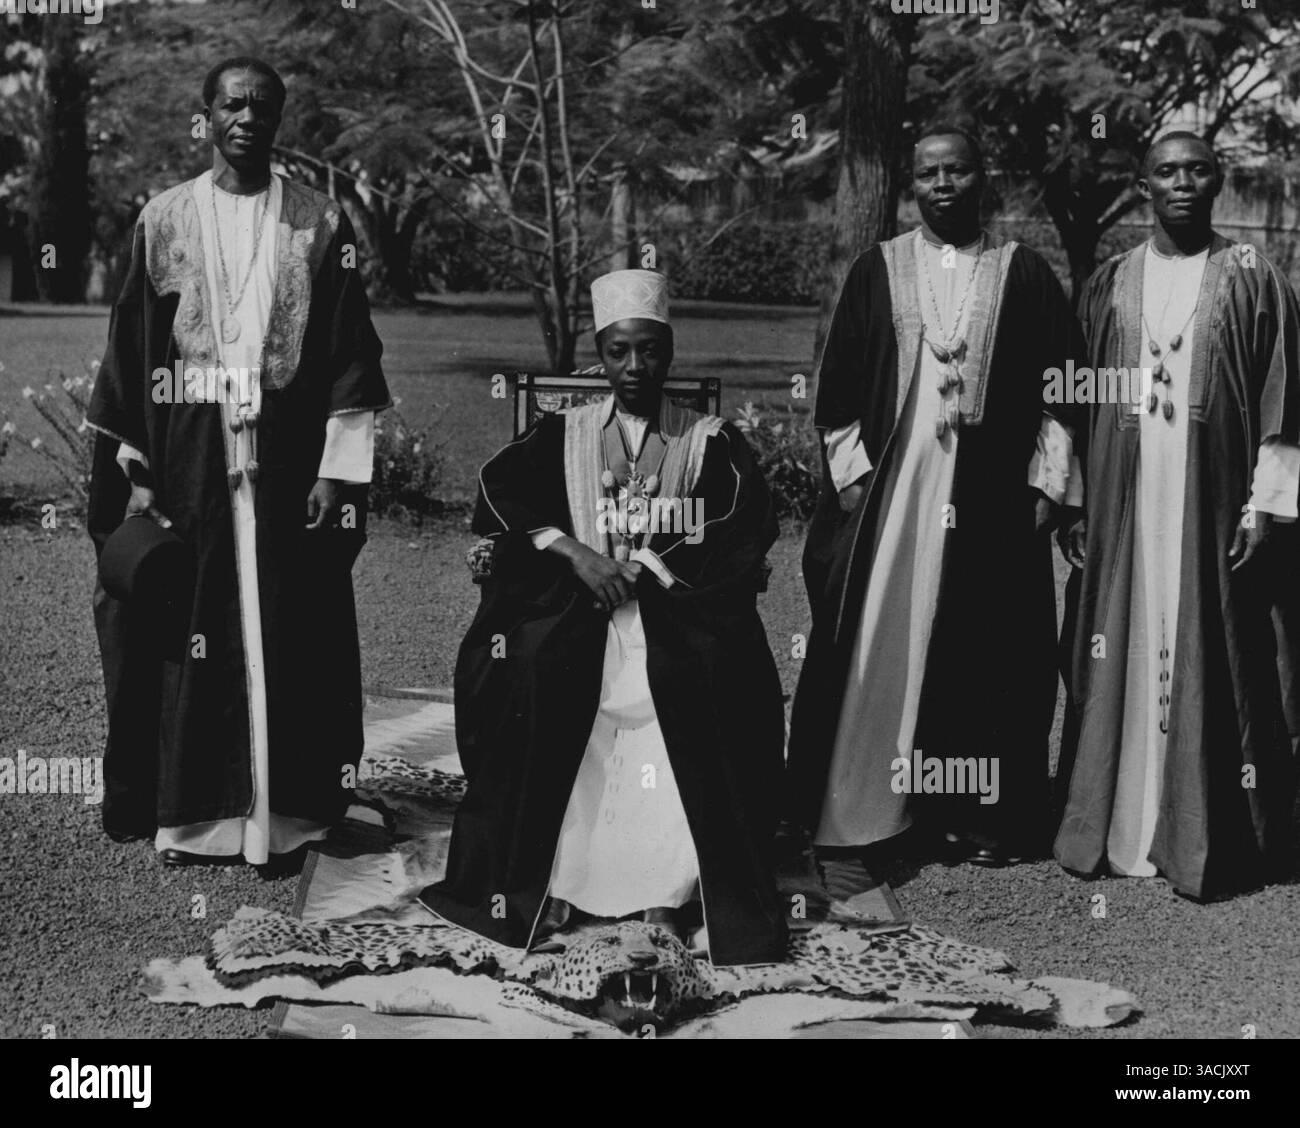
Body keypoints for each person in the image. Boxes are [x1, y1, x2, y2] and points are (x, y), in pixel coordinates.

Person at [419, 269, 788, 967]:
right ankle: (550, 877)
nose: (634, 367)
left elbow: (739, 528)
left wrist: (647, 568)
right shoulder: (563, 432)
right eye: (619, 351)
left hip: (676, 612)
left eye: (649, 351)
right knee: (531, 673)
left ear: (669, 351)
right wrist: (574, 552)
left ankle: (670, 886)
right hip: (576, 608)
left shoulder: (710, 440)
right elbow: (499, 494)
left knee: (696, 682)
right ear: (600, 349)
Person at [85, 57, 390, 867]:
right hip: (190, 465)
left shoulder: (322, 223)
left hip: (288, 468)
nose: (247, 117)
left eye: (263, 105)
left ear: (280, 119)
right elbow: (129, 352)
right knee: (192, 631)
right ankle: (193, 819)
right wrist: (136, 467)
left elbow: (349, 351)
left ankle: (285, 819)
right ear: (207, 115)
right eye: (232, 104)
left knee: (291, 632)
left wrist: (338, 468)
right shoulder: (163, 219)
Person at [788, 125, 1083, 866]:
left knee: (986, 652)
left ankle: (979, 820)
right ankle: (867, 814)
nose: (943, 184)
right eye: (928, 173)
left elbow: (1063, 389)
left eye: (958, 170)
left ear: (984, 177)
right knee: (885, 640)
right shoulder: (877, 268)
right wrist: (855, 483)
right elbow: (840, 393)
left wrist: (1047, 482)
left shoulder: (1024, 272)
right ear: (911, 184)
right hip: (895, 495)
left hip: (988, 498)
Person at [1054, 132, 1300, 899]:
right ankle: (1118, 820)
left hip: (1214, 502)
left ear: (1219, 179)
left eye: (1198, 170)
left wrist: (1267, 504)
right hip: (1126, 500)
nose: (1184, 183)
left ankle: (1209, 828)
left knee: (1218, 650)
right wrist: (1075, 498)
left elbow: (1285, 403)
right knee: (1116, 646)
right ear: (1144, 183)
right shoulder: (1107, 283)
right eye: (1167, 171)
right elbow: (1069, 399)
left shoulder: (1257, 278)